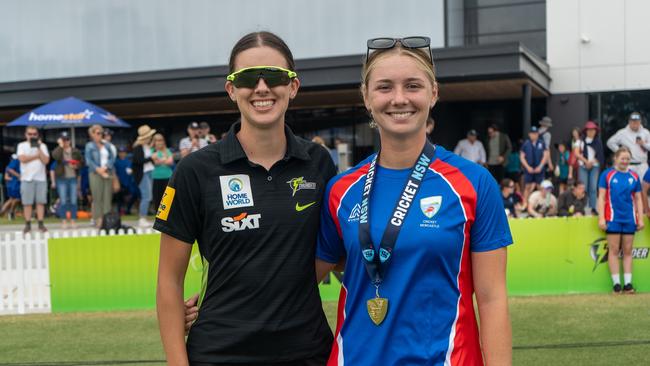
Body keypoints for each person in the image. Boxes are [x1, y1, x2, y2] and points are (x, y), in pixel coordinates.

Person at [315, 36, 512, 365]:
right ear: (366, 97)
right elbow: (296, 280)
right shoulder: (340, 190)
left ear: (433, 93)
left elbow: (492, 300)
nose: (399, 98)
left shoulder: (475, 183)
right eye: (384, 87)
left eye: (413, 86)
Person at [155, 31, 335, 365]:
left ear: (293, 86)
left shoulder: (320, 163)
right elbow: (168, 279)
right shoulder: (194, 171)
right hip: (218, 353)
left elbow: (338, 254)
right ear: (232, 90)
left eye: (276, 77)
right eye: (249, 78)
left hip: (307, 352)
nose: (262, 88)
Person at [597, 147, 643, 294]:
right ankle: (617, 285)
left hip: (629, 219)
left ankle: (628, 284)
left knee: (628, 251)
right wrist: (601, 218)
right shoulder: (607, 175)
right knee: (614, 251)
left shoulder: (634, 176)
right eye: (622, 158)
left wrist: (640, 219)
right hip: (613, 218)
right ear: (616, 159)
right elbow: (601, 197)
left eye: (627, 158)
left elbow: (638, 199)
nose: (625, 161)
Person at [17, 126, 50, 233]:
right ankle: (28, 224)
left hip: (40, 178)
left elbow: (45, 161)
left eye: (34, 134)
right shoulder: (21, 145)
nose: (32, 136)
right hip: (27, 178)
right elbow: (23, 159)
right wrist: (36, 156)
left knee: (40, 202)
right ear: (26, 135)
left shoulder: (43, 146)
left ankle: (40, 224)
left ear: (37, 135)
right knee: (27, 203)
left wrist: (39, 148)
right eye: (30, 134)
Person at [85, 124, 116, 228]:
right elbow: (88, 160)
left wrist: (106, 167)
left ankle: (106, 220)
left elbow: (112, 158)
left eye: (101, 133)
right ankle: (98, 219)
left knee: (107, 197)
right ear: (92, 134)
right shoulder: (89, 146)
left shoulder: (107, 145)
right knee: (97, 197)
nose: (100, 135)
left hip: (107, 172)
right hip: (95, 173)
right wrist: (99, 170)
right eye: (97, 133)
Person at [51, 131, 84, 228]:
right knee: (63, 200)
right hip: (61, 178)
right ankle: (64, 221)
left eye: (67, 140)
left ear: (70, 140)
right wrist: (60, 146)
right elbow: (55, 156)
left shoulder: (75, 151)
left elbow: (82, 162)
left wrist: (76, 166)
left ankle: (73, 220)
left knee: (73, 200)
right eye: (63, 140)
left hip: (73, 177)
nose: (66, 142)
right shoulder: (58, 150)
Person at [606, 112, 650, 178]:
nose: (635, 123)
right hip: (628, 165)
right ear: (629, 122)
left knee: (643, 186)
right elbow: (610, 142)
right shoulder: (623, 132)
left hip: (642, 165)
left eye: (637, 121)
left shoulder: (646, 132)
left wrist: (643, 143)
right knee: (627, 186)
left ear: (640, 121)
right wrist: (621, 152)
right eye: (633, 121)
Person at [575, 121, 605, 211]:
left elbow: (600, 156)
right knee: (583, 187)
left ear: (596, 131)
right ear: (585, 131)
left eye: (593, 130)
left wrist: (591, 162)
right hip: (583, 166)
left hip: (594, 166)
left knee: (593, 187)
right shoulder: (580, 141)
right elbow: (576, 153)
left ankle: (592, 208)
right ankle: (582, 207)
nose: (591, 132)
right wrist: (586, 161)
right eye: (589, 130)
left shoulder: (598, 142)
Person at [132, 125, 156, 227]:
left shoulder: (146, 146)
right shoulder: (138, 147)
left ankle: (144, 217)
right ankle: (142, 218)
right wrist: (151, 158)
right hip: (143, 174)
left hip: (149, 172)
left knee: (148, 196)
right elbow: (138, 161)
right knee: (146, 196)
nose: (151, 137)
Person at [520, 126, 549, 204]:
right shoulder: (526, 144)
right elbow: (522, 157)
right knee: (527, 187)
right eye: (532, 133)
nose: (534, 135)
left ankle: (542, 204)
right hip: (529, 168)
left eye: (535, 133)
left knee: (540, 186)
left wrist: (540, 166)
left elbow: (545, 155)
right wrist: (527, 167)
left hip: (539, 168)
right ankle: (525, 204)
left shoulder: (541, 143)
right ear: (529, 134)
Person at [151, 133, 174, 210]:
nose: (159, 142)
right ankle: (158, 218)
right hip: (156, 177)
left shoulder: (167, 150)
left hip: (167, 176)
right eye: (157, 140)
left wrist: (160, 160)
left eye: (160, 140)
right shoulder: (151, 150)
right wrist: (164, 160)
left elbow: (170, 162)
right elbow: (155, 162)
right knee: (157, 198)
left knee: (167, 198)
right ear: (154, 142)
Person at [113, 146, 139, 215]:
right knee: (119, 198)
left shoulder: (129, 162)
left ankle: (128, 209)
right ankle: (119, 211)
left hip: (129, 182)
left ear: (126, 153)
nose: (122, 154)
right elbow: (114, 172)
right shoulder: (116, 162)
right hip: (119, 182)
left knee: (134, 195)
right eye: (120, 152)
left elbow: (132, 172)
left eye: (123, 152)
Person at [1, 154, 21, 220]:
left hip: (15, 184)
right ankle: (10, 212)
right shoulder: (10, 165)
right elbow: (6, 177)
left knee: (12, 199)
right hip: (13, 185)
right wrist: (16, 177)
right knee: (16, 198)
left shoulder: (17, 165)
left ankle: (3, 212)